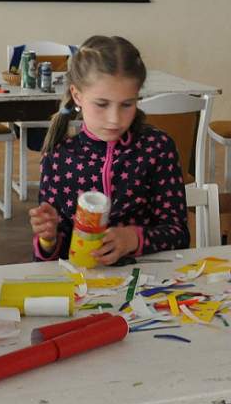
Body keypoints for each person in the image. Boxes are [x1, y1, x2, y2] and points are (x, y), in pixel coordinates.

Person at [29, 35, 189, 265]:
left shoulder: (157, 148)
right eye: (102, 104)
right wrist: (48, 239)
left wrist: (133, 239)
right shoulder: (58, 157)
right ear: (77, 96)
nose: (114, 119)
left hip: (148, 280)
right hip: (82, 282)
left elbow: (179, 235)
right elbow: (50, 257)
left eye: (127, 104)